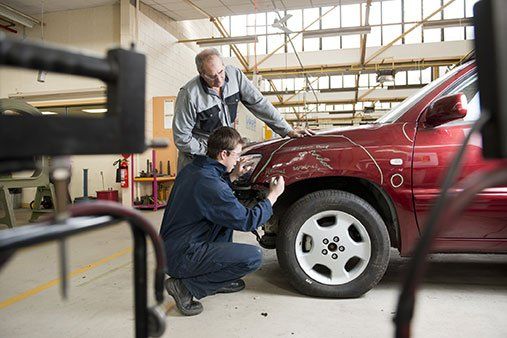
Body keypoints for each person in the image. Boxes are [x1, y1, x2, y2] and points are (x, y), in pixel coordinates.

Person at [160, 126, 285, 316]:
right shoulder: (210, 183)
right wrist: (273, 196)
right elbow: (247, 221)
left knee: (224, 221)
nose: (238, 159)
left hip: (171, 248)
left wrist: (233, 175)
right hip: (182, 256)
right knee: (252, 257)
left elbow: (213, 194)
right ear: (223, 153)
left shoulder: (195, 169)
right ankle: (186, 286)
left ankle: (217, 279)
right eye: (236, 155)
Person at [173, 47, 313, 172]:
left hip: (223, 155)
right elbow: (182, 138)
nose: (219, 80)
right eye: (212, 76)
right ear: (201, 74)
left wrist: (287, 129)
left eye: (221, 72)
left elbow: (259, 103)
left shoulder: (235, 76)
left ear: (223, 65)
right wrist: (211, 153)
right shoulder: (189, 95)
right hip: (197, 161)